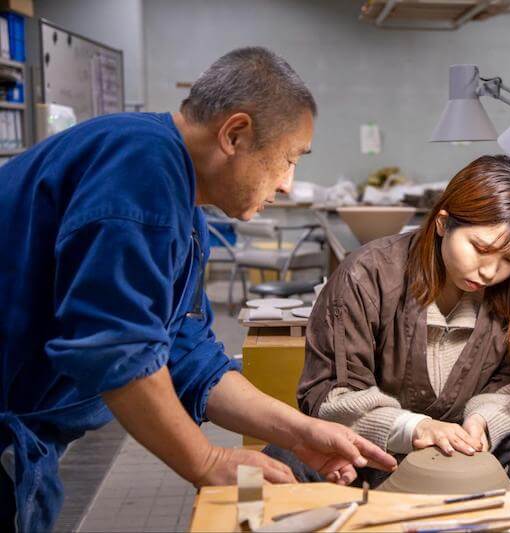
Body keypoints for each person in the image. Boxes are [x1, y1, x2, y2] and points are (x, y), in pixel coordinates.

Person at [0, 47, 395, 532]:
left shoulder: (177, 199)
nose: (290, 185)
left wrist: (300, 431)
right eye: (289, 160)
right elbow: (115, 347)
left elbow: (187, 354)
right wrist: (206, 462)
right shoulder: (139, 169)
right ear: (235, 133)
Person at [267, 155, 510, 487]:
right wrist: (414, 428)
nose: (491, 271)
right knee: (283, 457)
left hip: (472, 450)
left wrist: (484, 423)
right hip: (378, 449)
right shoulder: (366, 274)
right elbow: (332, 393)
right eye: (479, 247)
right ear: (443, 223)